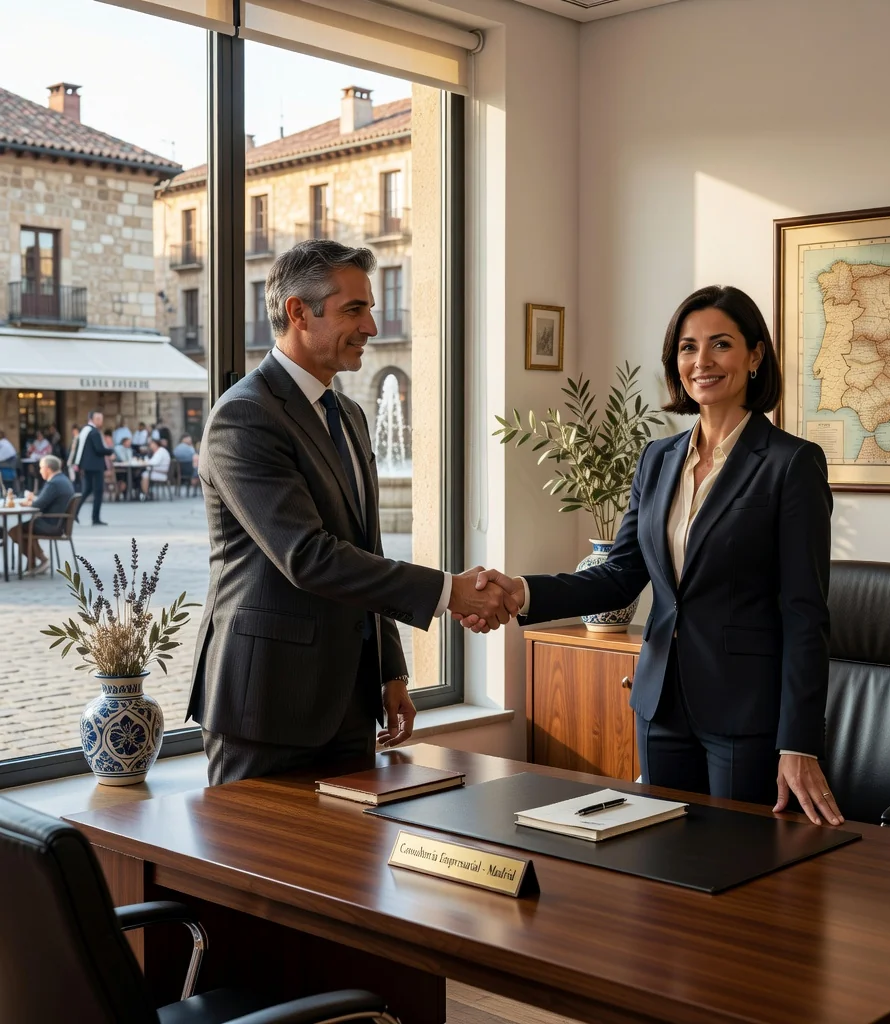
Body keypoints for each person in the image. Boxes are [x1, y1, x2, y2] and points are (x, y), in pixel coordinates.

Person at [462, 285, 843, 828]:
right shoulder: (658, 459)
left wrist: (799, 741)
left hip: (746, 713)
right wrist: (521, 591)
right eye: (688, 348)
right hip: (660, 703)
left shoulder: (791, 464)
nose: (702, 362)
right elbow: (621, 575)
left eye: (721, 345)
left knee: (737, 866)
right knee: (662, 864)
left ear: (756, 356)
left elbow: (805, 613)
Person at [187, 239, 519, 785]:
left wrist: (389, 671)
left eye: (369, 308)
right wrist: (449, 591)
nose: (371, 327)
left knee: (349, 869)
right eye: (354, 309)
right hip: (266, 704)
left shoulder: (349, 414)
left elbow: (365, 550)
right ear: (298, 311)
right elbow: (309, 557)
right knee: (253, 868)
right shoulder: (244, 416)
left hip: (350, 704)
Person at [9, 455, 74, 575]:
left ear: (48, 468)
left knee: (15, 530)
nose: (40, 471)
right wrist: (32, 500)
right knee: (23, 528)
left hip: (51, 524)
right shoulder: (62, 479)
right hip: (58, 523)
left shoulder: (54, 483)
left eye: (41, 468)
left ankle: (40, 560)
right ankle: (33, 562)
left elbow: (39, 505)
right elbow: (44, 500)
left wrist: (27, 502)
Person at [72, 410, 114, 525]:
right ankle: (95, 518)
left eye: (101, 419)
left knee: (87, 490)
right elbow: (99, 449)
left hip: (87, 466)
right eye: (98, 419)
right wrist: (111, 451)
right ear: (92, 419)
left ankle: (74, 512)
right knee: (98, 492)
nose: (101, 421)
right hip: (95, 467)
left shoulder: (86, 430)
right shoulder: (94, 432)